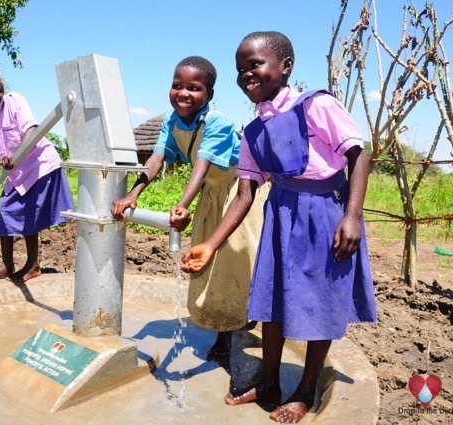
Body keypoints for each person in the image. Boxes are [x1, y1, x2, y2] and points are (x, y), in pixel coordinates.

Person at [181, 32, 377, 423]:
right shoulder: (253, 131)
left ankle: (305, 390)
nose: (246, 74)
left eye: (255, 64)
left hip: (325, 213)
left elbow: (358, 155)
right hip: (280, 214)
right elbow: (244, 195)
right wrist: (210, 246)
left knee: (320, 300)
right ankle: (267, 380)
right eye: (240, 69)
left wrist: (351, 216)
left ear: (285, 66)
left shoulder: (316, 105)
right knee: (271, 300)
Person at [110, 56, 268, 357]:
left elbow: (200, 165)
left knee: (238, 257)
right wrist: (133, 194)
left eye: (194, 88)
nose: (183, 93)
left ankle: (236, 326)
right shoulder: (171, 121)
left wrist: (182, 205)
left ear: (208, 94)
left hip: (239, 191)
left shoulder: (217, 122)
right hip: (212, 192)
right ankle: (223, 322)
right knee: (208, 258)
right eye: (176, 85)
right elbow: (156, 159)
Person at [0, 62, 75, 284]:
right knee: (4, 211)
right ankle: (7, 264)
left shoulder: (14, 100)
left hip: (38, 165)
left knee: (28, 215)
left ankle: (33, 265)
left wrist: (15, 155)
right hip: (13, 172)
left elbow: (30, 130)